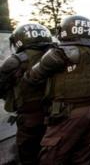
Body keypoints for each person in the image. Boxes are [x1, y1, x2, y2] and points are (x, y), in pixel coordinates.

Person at [24, 15, 90, 164]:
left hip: (67, 114)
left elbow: (32, 77)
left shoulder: (59, 52)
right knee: (82, 157)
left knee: (50, 158)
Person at [0, 23, 53, 165]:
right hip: (55, 114)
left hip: (29, 117)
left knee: (27, 154)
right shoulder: (56, 55)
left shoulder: (15, 60)